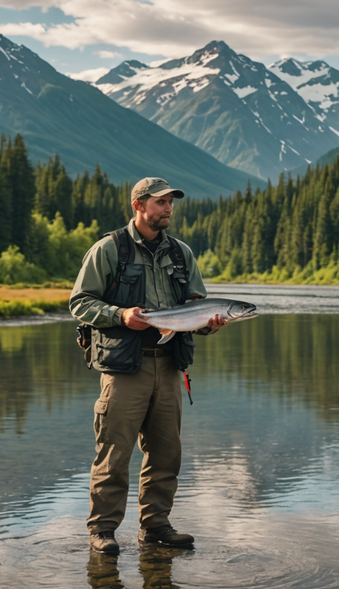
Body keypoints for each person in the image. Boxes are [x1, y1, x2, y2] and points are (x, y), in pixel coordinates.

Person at [70, 177, 227, 556]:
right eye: (161, 202)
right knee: (114, 451)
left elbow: (195, 307)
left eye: (171, 202)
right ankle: (103, 530)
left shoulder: (181, 253)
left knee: (166, 452)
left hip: (170, 368)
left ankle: (155, 526)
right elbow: (80, 303)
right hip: (125, 369)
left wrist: (209, 323)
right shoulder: (109, 249)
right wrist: (121, 314)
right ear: (138, 205)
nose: (169, 208)